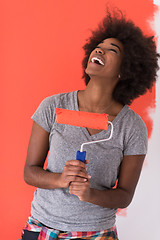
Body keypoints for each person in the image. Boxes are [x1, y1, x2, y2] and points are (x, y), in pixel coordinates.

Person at [20, 9, 159, 240]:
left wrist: (89, 194)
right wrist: (59, 179)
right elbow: (29, 172)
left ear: (125, 71)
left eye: (111, 50)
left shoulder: (132, 127)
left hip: (95, 233)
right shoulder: (53, 106)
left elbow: (124, 195)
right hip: (42, 227)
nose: (99, 49)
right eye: (99, 46)